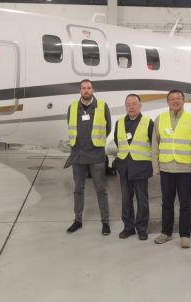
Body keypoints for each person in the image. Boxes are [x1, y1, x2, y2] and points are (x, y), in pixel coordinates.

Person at [152, 90, 191, 249]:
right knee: (166, 202)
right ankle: (166, 232)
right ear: (167, 102)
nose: (175, 101)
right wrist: (156, 165)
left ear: (184, 101)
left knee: (185, 204)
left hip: (185, 168)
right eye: (172, 99)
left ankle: (185, 235)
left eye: (178, 98)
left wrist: (187, 151)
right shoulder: (160, 119)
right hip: (166, 167)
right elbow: (155, 143)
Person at [66, 79, 112, 235]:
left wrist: (96, 141)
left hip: (96, 153)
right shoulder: (72, 107)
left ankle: (105, 222)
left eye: (89, 88)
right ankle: (77, 220)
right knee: (78, 189)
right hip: (78, 154)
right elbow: (70, 125)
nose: (86, 91)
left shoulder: (102, 106)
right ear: (80, 90)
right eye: (83, 88)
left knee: (101, 189)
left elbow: (108, 128)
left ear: (93, 90)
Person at [113, 94, 154, 241]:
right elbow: (118, 142)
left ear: (140, 106)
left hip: (140, 166)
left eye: (134, 104)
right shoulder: (119, 122)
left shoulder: (148, 122)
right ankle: (128, 228)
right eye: (128, 104)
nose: (131, 107)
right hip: (124, 166)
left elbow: (154, 144)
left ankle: (142, 228)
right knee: (125, 199)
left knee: (142, 200)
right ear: (125, 106)